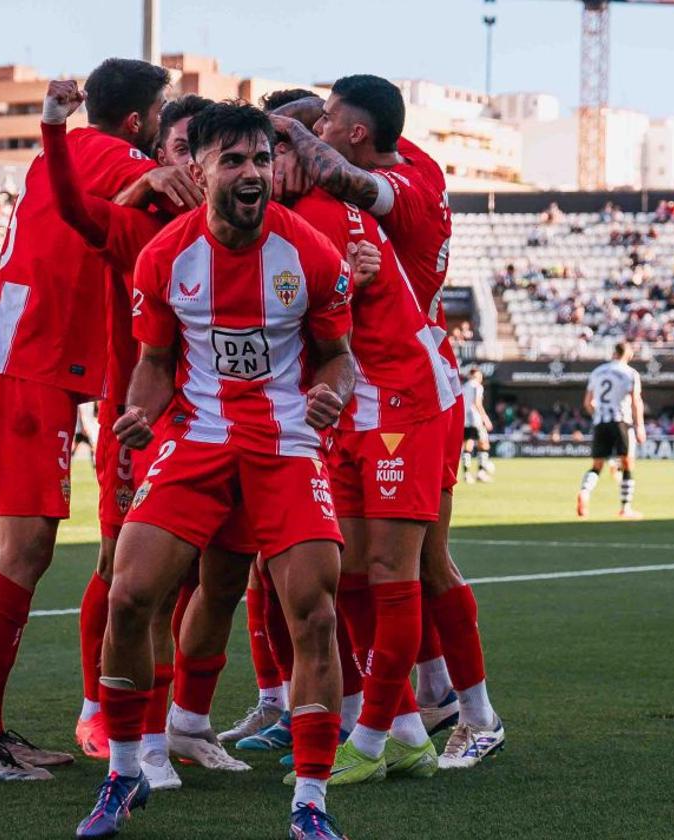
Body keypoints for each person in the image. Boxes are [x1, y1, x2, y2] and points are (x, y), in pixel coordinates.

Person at [76, 102, 355, 840]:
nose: (252, 173)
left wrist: (333, 393)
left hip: (287, 441)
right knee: (130, 593)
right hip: (197, 437)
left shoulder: (311, 255)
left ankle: (310, 803)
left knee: (315, 612)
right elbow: (156, 364)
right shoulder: (165, 256)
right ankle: (127, 772)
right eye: (232, 160)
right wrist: (137, 416)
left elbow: (338, 353)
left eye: (261, 159)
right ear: (197, 169)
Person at [0, 57, 180, 783]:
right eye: (166, 115)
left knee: (32, 552)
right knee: (23, 552)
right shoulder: (111, 155)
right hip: (28, 360)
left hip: (31, 357)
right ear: (139, 122)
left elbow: (86, 209)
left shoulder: (76, 151)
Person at [271, 75, 505, 769]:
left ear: (352, 134)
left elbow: (343, 177)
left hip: (410, 384)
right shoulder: (377, 172)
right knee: (371, 565)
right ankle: (416, 711)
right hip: (376, 381)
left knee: (410, 564)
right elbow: (332, 157)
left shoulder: (405, 187)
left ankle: (455, 717)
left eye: (330, 117)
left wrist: (293, 136)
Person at [41, 80, 217, 790]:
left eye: (199, 152)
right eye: (177, 148)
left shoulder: (249, 233)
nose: (188, 164)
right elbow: (73, 209)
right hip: (139, 421)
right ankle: (117, 723)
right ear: (159, 152)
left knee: (202, 580)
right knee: (125, 573)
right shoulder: (136, 223)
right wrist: (55, 129)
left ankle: (179, 726)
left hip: (218, 427)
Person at [578, 342, 647, 519]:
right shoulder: (630, 373)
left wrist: (598, 414)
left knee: (596, 465)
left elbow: (587, 403)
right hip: (620, 421)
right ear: (628, 354)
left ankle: (584, 492)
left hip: (601, 422)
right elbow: (635, 401)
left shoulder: (597, 371)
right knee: (627, 463)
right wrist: (640, 426)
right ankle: (626, 508)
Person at [461, 366, 495, 484]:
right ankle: (481, 472)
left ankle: (466, 474)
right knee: (484, 444)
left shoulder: (464, 387)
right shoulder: (477, 386)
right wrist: (485, 418)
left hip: (464, 420)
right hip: (475, 419)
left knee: (468, 446)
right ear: (476, 376)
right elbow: (477, 403)